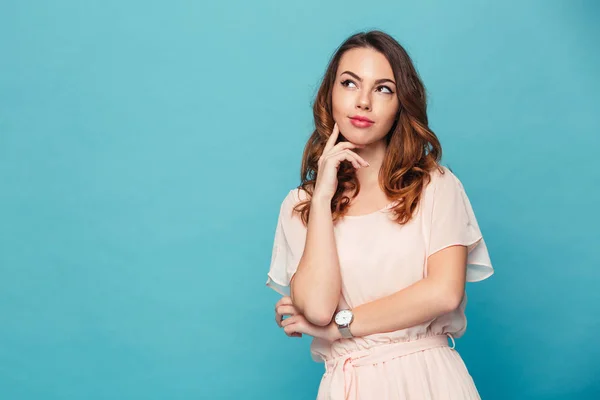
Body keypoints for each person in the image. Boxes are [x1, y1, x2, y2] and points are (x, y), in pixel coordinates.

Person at [265, 30, 494, 399]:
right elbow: (320, 307)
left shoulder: (435, 185)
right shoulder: (302, 206)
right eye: (350, 83)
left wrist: (342, 327)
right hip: (349, 386)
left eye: (383, 89)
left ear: (401, 104)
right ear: (330, 94)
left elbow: (444, 293)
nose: (364, 102)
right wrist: (322, 198)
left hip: (430, 380)